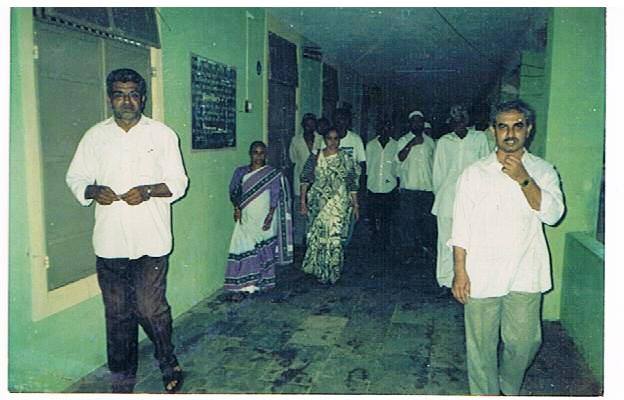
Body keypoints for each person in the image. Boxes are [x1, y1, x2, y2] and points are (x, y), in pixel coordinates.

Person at [65, 68, 188, 393]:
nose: (127, 101)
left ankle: (168, 361)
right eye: (119, 95)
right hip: (111, 242)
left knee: (150, 309)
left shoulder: (162, 135)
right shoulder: (95, 136)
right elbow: (76, 177)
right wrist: (92, 191)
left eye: (133, 94)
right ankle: (122, 382)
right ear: (110, 99)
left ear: (142, 98)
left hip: (152, 240)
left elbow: (179, 183)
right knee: (118, 315)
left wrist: (148, 190)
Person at [449, 99, 565, 395]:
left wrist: (524, 179)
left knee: (526, 341)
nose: (510, 133)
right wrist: (460, 271)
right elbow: (461, 227)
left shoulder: (543, 170)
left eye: (517, 126)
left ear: (529, 129)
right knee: (481, 347)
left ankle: (508, 388)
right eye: (503, 127)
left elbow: (553, 215)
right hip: (482, 271)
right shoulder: (474, 173)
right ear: (493, 131)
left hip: (526, 270)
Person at [431, 104, 490, 297]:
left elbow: (486, 168)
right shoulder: (443, 142)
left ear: (467, 119)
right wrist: (442, 195)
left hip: (473, 201)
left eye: (462, 117)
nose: (459, 122)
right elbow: (438, 174)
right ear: (450, 121)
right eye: (455, 118)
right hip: (447, 200)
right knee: (445, 242)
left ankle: (467, 281)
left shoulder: (479, 138)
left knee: (471, 242)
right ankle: (445, 281)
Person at [225, 141, 293, 300]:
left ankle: (261, 282)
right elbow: (234, 191)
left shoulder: (271, 173)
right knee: (245, 247)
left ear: (265, 155)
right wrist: (237, 208)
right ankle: (246, 285)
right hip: (246, 217)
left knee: (264, 249)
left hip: (265, 217)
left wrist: (270, 215)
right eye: (255, 152)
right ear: (250, 154)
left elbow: (275, 195)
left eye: (261, 153)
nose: (258, 156)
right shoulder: (241, 172)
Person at [300, 127, 361, 284]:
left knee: (334, 238)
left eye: (336, 138)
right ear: (324, 139)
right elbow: (305, 180)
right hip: (318, 204)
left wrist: (355, 205)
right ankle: (317, 270)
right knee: (318, 237)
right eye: (329, 138)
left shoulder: (346, 158)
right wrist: (303, 202)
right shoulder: (315, 156)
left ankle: (332, 272)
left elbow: (352, 183)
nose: (333, 142)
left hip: (338, 204)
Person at [396, 110, 436, 256]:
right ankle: (408, 252)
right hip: (409, 189)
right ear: (410, 124)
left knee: (426, 222)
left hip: (426, 188)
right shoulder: (403, 140)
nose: (417, 124)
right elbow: (399, 158)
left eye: (420, 121)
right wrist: (411, 143)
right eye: (414, 121)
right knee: (408, 223)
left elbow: (434, 164)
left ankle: (424, 250)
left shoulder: (430, 142)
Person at [288, 113, 324, 247]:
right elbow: (293, 159)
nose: (310, 128)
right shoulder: (295, 140)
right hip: (300, 182)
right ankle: (298, 245)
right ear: (303, 125)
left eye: (312, 125)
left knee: (315, 214)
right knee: (300, 214)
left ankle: (312, 244)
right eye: (307, 125)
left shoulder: (321, 139)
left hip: (317, 183)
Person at [365, 118, 399, 246]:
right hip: (373, 186)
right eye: (383, 127)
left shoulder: (396, 145)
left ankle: (385, 245)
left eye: (388, 127)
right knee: (373, 219)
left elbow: (398, 167)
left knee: (387, 219)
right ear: (378, 129)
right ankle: (374, 243)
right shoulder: (370, 145)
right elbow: (367, 167)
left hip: (389, 188)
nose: (386, 130)